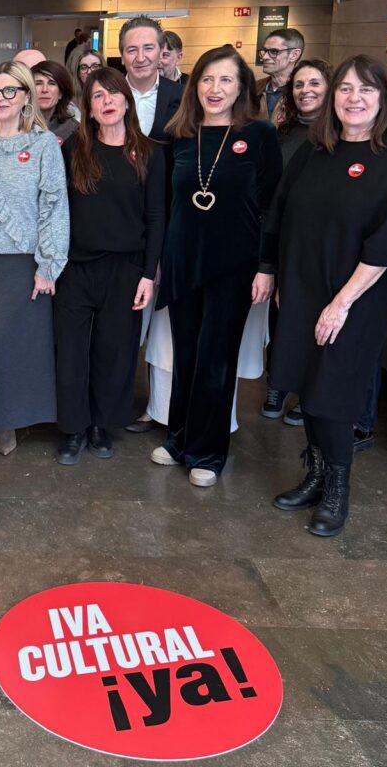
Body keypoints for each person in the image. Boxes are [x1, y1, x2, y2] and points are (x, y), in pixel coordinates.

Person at [267, 54, 387, 536]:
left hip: (358, 297)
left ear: (383, 99)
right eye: (345, 88)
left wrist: (341, 303)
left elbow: (385, 243)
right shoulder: (315, 151)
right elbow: (280, 213)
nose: (354, 98)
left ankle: (338, 489)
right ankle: (316, 475)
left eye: (366, 89)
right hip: (302, 289)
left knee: (331, 394)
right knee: (305, 382)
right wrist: (276, 275)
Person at [151, 44, 283, 487]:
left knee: (216, 358)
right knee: (186, 353)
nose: (215, 88)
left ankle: (208, 453)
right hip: (184, 259)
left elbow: (272, 207)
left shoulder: (260, 135)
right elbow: (166, 203)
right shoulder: (179, 135)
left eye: (226, 79)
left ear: (242, 87)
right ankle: (179, 439)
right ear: (194, 86)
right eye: (207, 79)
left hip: (235, 264)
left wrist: (267, 265)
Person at [0, 60, 69, 476]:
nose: (0, 98)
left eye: (10, 91)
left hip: (24, 262)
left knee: (17, 347)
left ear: (26, 97)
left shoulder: (43, 145)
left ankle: (5, 425)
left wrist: (48, 265)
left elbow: (54, 207)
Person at [54, 67, 165, 464]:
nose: (107, 102)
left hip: (126, 270)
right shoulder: (74, 149)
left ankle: (101, 424)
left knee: (114, 352)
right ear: (88, 107)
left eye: (113, 93)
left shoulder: (151, 153)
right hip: (75, 269)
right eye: (97, 96)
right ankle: (73, 428)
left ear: (127, 101)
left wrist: (148, 274)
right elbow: (57, 210)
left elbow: (156, 218)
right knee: (71, 353)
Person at [117, 16, 184, 435]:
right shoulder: (108, 93)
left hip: (171, 221)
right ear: (121, 54)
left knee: (165, 326)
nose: (140, 57)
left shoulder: (183, 98)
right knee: (124, 322)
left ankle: (162, 410)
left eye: (148, 48)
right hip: (119, 226)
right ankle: (116, 404)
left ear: (162, 52)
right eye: (132, 49)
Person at [261, 59, 332, 423]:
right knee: (281, 316)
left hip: (322, 242)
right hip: (284, 235)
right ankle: (278, 383)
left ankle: (308, 392)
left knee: (316, 320)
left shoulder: (339, 135)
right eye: (299, 85)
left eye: (314, 83)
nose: (306, 91)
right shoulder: (283, 132)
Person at [256, 27, 305, 119]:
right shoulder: (254, 88)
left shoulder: (304, 93)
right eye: (265, 51)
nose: (265, 57)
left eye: (274, 51)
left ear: (294, 55)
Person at [32, 60, 78, 142]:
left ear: (61, 93)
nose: (44, 90)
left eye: (52, 83)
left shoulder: (74, 130)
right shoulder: (15, 128)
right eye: (38, 83)